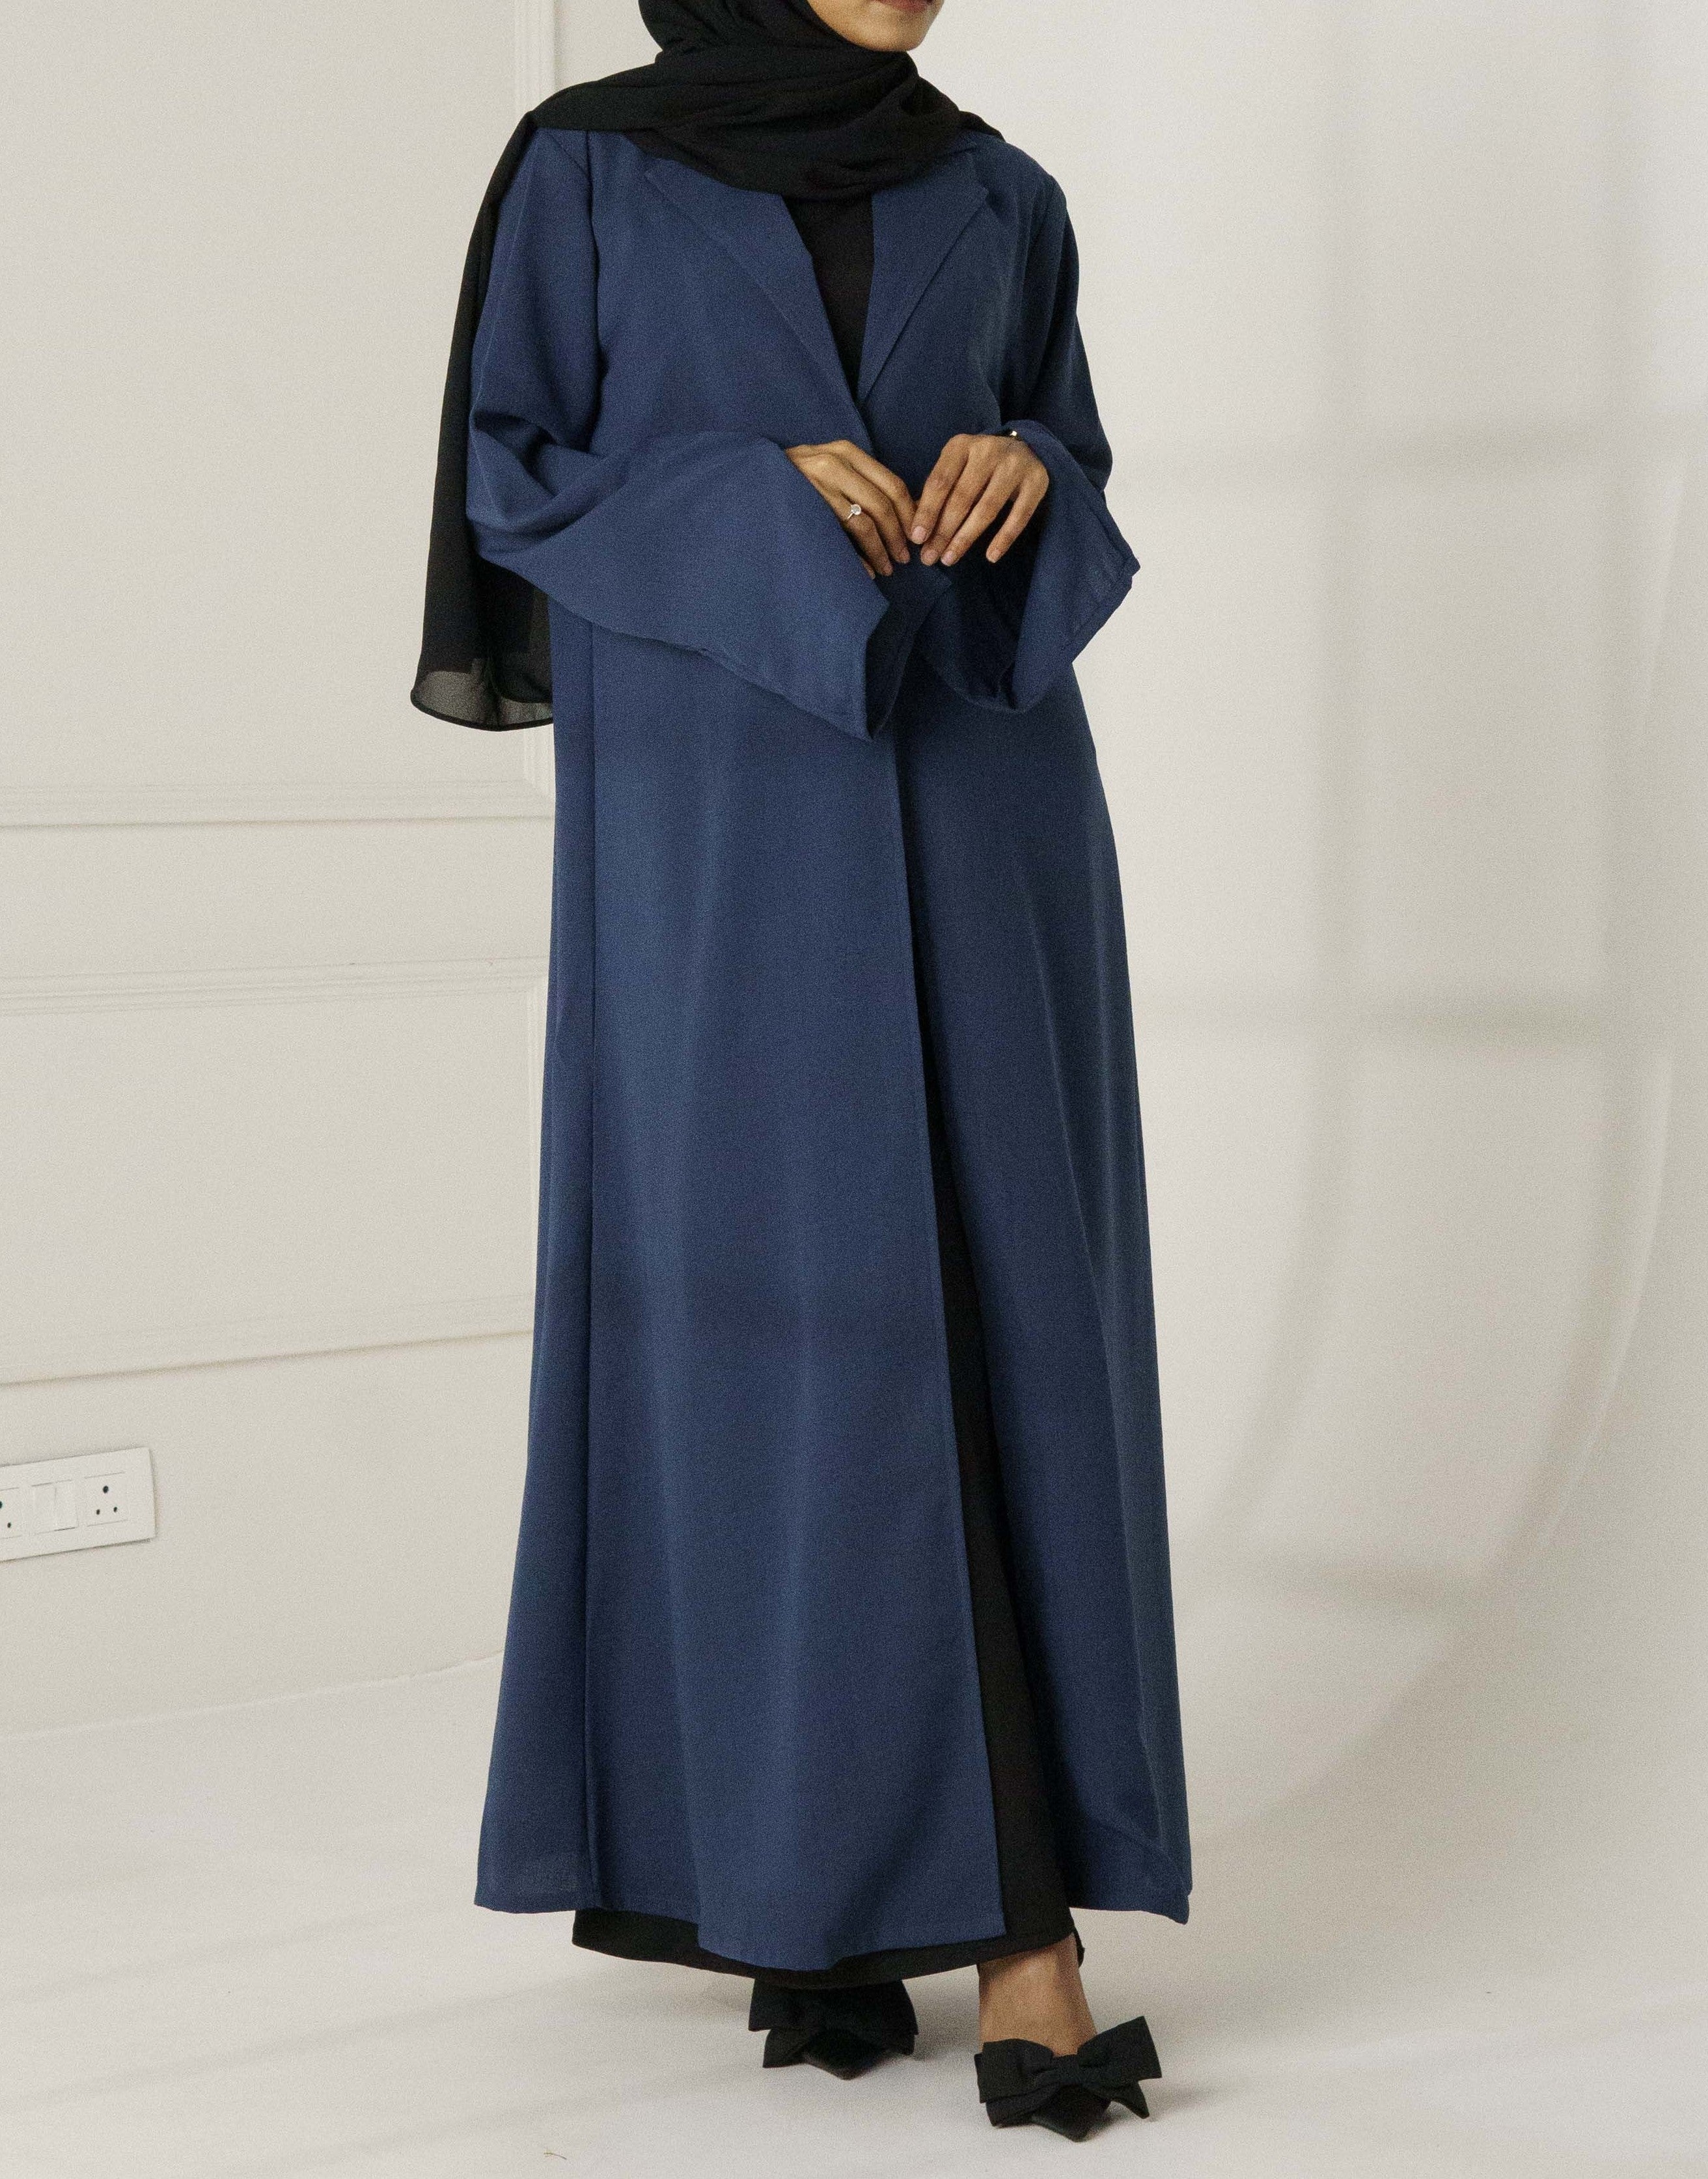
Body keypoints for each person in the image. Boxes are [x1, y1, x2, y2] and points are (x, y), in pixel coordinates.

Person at [412, 0, 1190, 2141]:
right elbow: (513, 470)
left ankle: (1014, 1923)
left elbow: (1071, 458)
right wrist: (739, 492)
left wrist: (1029, 472)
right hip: (718, 822)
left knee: (1003, 1307)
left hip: (983, 803)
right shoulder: (587, 167)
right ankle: (818, 1885)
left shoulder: (1001, 190)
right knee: (773, 1333)